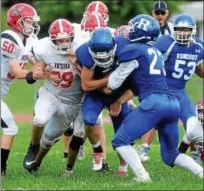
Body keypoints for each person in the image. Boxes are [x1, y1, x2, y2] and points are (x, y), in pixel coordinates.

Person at [107, 14, 203, 183]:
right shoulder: (155, 52)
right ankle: (200, 172)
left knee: (120, 140)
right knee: (170, 154)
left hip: (154, 102)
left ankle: (142, 177)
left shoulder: (135, 49)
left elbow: (113, 83)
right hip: (173, 103)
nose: (129, 31)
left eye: (132, 28)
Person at [23, 19, 85, 173]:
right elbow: (35, 71)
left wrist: (76, 62)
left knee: (49, 138)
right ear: (52, 39)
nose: (64, 43)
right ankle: (33, 146)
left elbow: (89, 80)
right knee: (39, 119)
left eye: (67, 39)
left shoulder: (81, 48)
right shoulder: (44, 48)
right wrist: (41, 73)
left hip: (71, 102)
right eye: (59, 40)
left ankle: (37, 162)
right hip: (50, 94)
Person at [74, 28, 133, 176]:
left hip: (118, 95)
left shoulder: (126, 50)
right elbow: (86, 85)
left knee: (122, 134)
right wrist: (108, 81)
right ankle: (97, 151)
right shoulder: (85, 53)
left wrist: (119, 102)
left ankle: (123, 168)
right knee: (88, 120)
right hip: (97, 94)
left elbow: (135, 88)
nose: (102, 58)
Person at [153, 13, 204, 164]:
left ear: (193, 31)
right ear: (174, 30)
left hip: (180, 91)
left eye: (186, 29)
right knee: (157, 127)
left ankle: (185, 153)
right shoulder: (165, 42)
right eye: (179, 29)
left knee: (194, 128)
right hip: (162, 90)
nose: (183, 33)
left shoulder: (198, 46)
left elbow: (197, 68)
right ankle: (142, 150)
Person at [1, 3, 41, 176]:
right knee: (10, 128)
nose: (32, 25)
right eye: (29, 22)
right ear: (17, 21)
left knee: (10, 128)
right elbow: (17, 72)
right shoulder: (8, 37)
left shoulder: (31, 40)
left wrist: (42, 70)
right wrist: (38, 74)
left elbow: (38, 62)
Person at [139, 0, 174, 162]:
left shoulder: (174, 30)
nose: (159, 16)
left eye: (162, 12)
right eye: (157, 12)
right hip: (151, 76)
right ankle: (144, 148)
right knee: (151, 108)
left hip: (169, 77)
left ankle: (178, 149)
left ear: (167, 13)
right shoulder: (145, 28)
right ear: (153, 13)